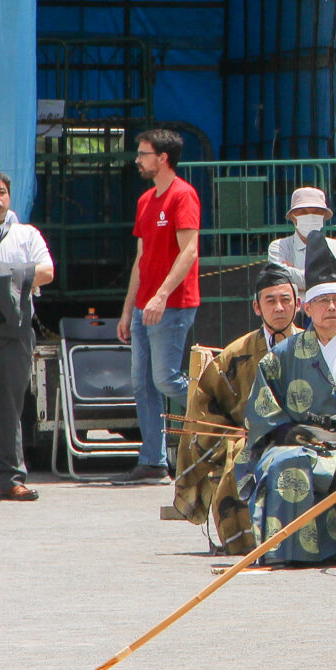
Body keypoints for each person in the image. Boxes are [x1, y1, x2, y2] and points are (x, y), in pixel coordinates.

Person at [245, 238, 336, 567]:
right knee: (286, 464)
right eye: (323, 301)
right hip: (305, 445)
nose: (331, 308)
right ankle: (294, 551)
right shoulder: (282, 356)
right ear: (307, 308)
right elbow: (263, 410)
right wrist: (286, 432)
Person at [172, 266, 300, 548]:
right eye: (270, 301)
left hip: (306, 438)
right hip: (251, 439)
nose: (279, 308)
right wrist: (233, 436)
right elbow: (203, 411)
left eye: (286, 300)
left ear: (298, 303)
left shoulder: (312, 346)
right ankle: (248, 543)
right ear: (257, 307)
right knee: (240, 458)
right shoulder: (236, 354)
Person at [116, 126, 201, 485]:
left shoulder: (183, 195)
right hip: (143, 306)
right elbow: (141, 258)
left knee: (165, 379)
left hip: (173, 304)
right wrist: (128, 309)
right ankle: (153, 460)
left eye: (143, 154)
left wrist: (162, 295)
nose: (137, 160)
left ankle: (219, 409)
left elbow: (189, 251)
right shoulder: (145, 200)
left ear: (163, 158)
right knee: (144, 384)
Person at [0, 170, 54, 502]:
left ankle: (9, 479)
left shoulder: (26, 234)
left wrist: (2, 276)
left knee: (9, 406)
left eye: (1, 192)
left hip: (14, 333)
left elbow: (47, 271)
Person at [267, 187, 336, 288]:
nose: (310, 216)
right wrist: (328, 274)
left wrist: (295, 274)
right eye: (304, 212)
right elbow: (280, 278)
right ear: (293, 218)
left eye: (316, 212)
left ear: (323, 217)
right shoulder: (279, 246)